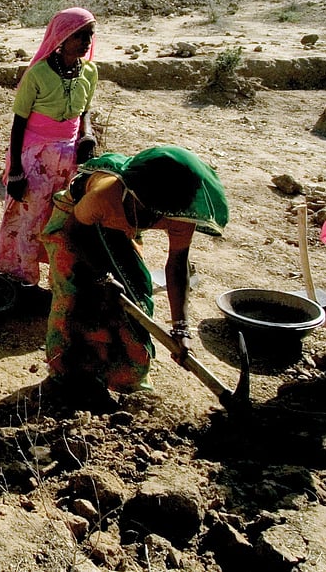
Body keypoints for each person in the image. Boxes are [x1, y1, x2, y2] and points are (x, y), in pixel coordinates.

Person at [41, 145, 228, 398]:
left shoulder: (181, 212)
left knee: (134, 303)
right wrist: (101, 277)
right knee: (73, 296)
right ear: (132, 193)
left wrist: (181, 329)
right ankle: (64, 377)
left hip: (119, 229)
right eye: (145, 210)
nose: (153, 219)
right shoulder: (105, 194)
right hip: (76, 221)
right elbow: (75, 232)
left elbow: (177, 265)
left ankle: (125, 381)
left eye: (158, 215)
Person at [0, 7, 99, 289]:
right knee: (30, 216)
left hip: (69, 158)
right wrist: (16, 170)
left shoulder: (89, 72)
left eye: (89, 35)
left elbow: (85, 110)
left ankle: (57, 281)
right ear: (62, 36)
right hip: (36, 157)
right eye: (79, 35)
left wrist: (87, 136)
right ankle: (22, 279)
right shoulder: (38, 74)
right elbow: (18, 123)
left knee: (61, 217)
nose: (86, 42)